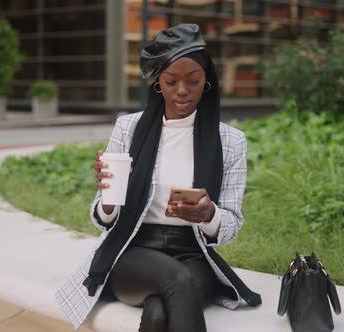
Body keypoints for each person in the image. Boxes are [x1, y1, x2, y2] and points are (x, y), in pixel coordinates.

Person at [56, 24, 261, 332]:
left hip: (193, 254)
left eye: (193, 81)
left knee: (158, 313)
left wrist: (209, 215)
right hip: (133, 250)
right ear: (157, 83)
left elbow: (230, 226)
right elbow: (103, 219)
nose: (182, 90)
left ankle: (155, 310)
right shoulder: (129, 129)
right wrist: (110, 195)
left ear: (207, 81)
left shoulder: (230, 141)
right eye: (170, 81)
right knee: (175, 280)